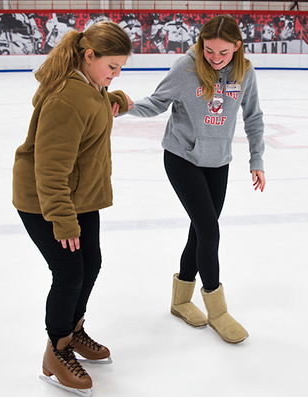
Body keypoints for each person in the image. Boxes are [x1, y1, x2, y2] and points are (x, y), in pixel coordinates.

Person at [125, 15, 265, 345]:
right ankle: (216, 309)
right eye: (209, 50)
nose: (215, 59)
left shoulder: (245, 72)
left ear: (238, 48)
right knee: (209, 229)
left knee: (200, 229)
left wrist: (256, 159)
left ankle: (180, 300)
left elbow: (254, 116)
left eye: (224, 53)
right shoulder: (186, 68)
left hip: (219, 161)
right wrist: (122, 106)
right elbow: (156, 103)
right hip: (182, 158)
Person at [12, 21, 131, 397]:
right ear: (88, 55)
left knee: (90, 264)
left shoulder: (92, 85)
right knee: (68, 273)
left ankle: (74, 329)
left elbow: (97, 102)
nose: (115, 73)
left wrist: (117, 99)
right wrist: (62, 222)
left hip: (80, 197)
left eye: (121, 68)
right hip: (47, 202)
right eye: (112, 66)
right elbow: (49, 170)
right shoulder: (66, 99)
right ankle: (56, 351)